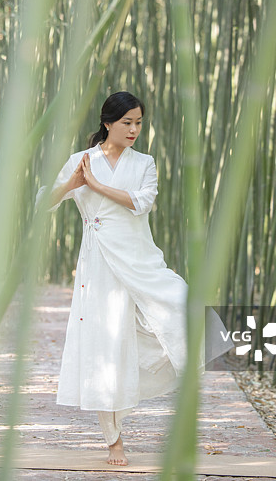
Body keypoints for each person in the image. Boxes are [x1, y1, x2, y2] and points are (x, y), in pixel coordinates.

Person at [36, 91, 234, 466]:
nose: (134, 129)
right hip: (99, 263)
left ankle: (156, 373)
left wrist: (95, 186)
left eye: (139, 123)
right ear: (107, 123)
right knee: (104, 346)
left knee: (184, 307)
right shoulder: (81, 161)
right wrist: (74, 185)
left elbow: (142, 202)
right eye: (126, 122)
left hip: (140, 258)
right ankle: (114, 442)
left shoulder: (144, 162)